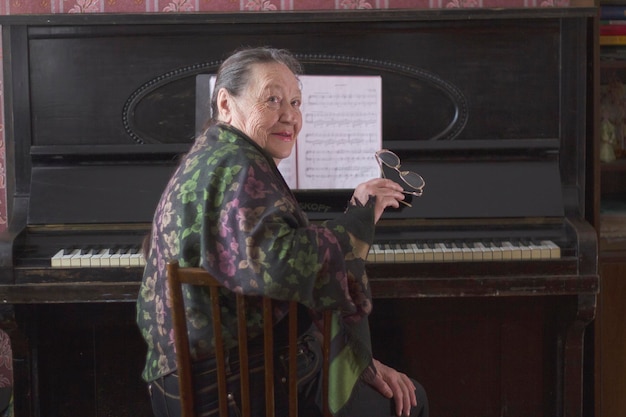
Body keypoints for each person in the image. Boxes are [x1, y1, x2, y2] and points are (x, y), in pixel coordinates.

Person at [136, 46, 429, 417]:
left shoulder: (211, 154)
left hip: (184, 383)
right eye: (272, 99)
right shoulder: (241, 168)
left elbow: (262, 250)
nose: (289, 116)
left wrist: (358, 360)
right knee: (412, 401)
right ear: (226, 103)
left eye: (295, 102)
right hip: (237, 389)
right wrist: (361, 217)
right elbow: (283, 266)